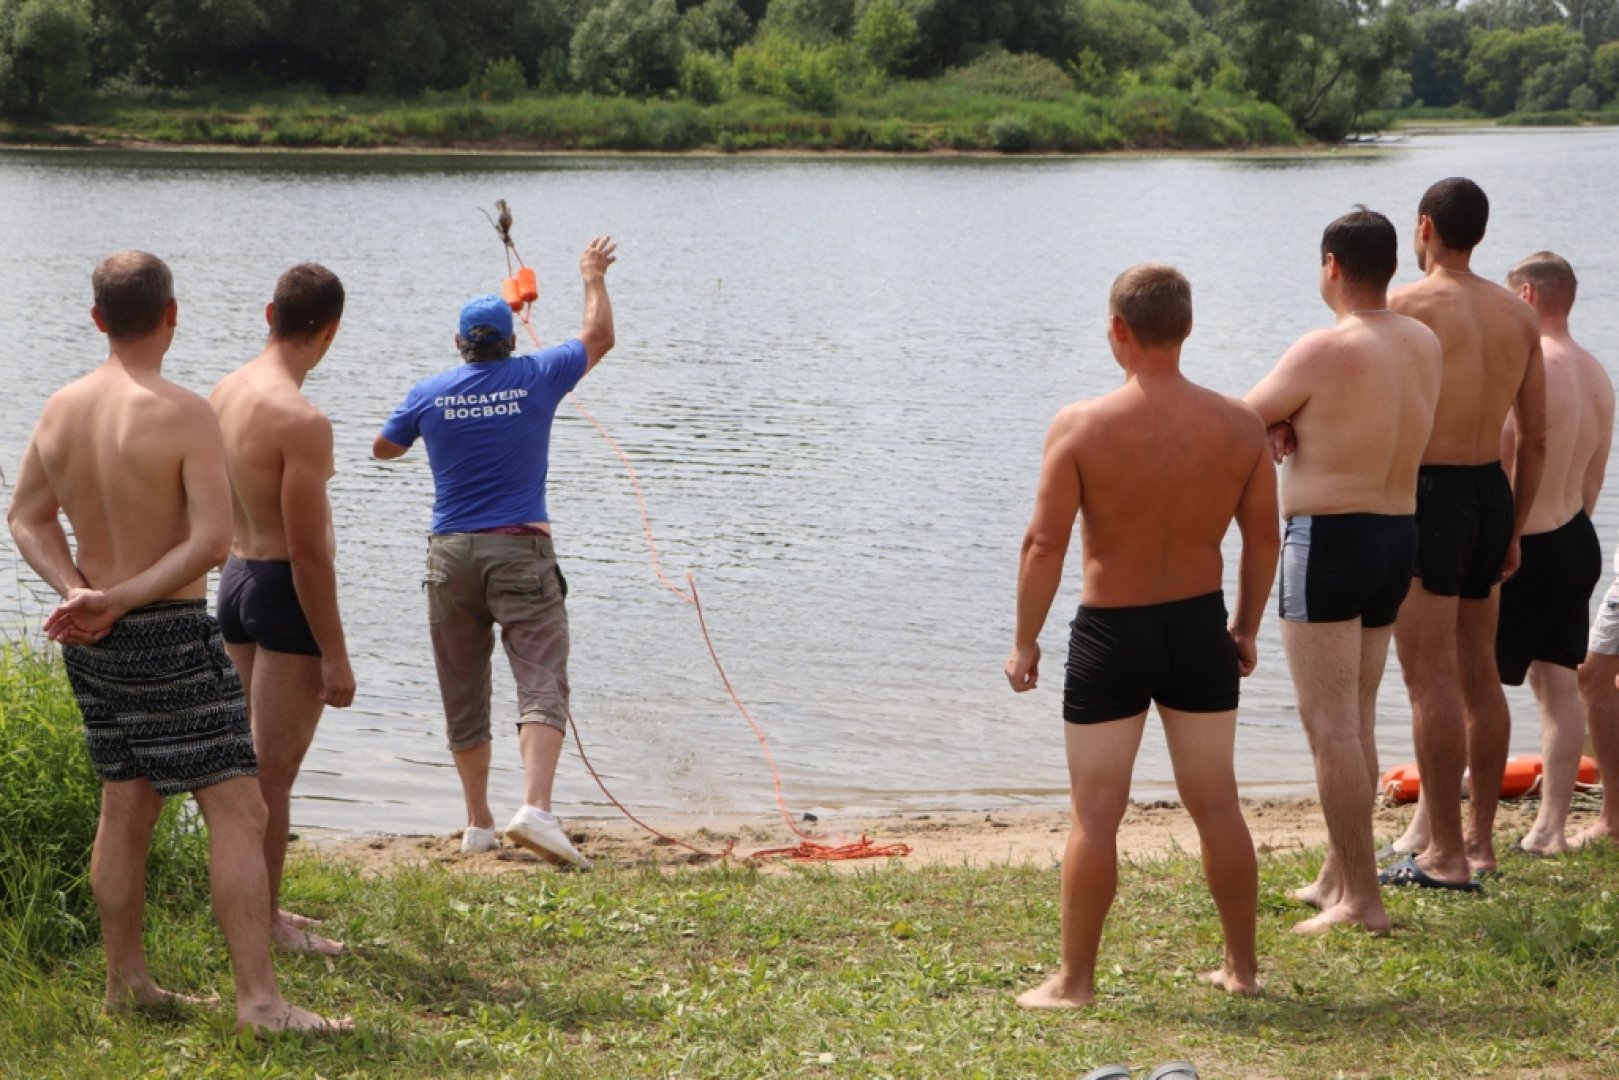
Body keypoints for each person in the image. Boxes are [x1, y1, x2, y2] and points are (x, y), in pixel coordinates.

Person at [6, 251, 344, 1034]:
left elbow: (25, 516)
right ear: (172, 315)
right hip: (163, 629)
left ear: (97, 319)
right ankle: (260, 1002)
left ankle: (127, 984)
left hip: (92, 639)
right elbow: (212, 543)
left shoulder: (61, 407)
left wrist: (78, 592)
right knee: (238, 809)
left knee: (125, 806)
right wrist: (118, 598)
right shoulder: (185, 411)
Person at [1005, 264, 1279, 1008]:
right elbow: (1263, 537)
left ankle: (1075, 982)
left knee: (1096, 811)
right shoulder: (1240, 425)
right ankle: (1242, 970)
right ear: (1186, 327)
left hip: (1112, 635)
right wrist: (1245, 626)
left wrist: (1025, 641)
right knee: (1216, 803)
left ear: (1117, 329)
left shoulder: (1081, 425)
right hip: (1198, 627)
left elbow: (1043, 543)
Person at [373, 237, 616, 868]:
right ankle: (535, 809)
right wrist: (591, 276)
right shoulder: (538, 373)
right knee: (540, 678)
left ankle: (478, 822)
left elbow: (383, 448)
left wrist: (443, 416)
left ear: (459, 343)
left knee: (462, 688)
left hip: (449, 555)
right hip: (520, 552)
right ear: (510, 341)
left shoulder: (429, 392)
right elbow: (599, 336)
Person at [1245, 208, 1442, 930]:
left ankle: (1362, 899)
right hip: (1396, 536)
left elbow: (1234, 422)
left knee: (1330, 727)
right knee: (1354, 717)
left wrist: (1276, 419)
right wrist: (1290, 417)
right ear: (1389, 264)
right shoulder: (1421, 342)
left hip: (1327, 540)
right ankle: (1338, 872)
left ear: (1331, 264)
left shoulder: (1323, 348)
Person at [1379, 178, 1546, 889]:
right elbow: (1534, 437)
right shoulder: (1518, 315)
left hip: (1429, 493)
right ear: (1478, 232)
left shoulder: (1402, 306)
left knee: (1428, 679)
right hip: (1488, 491)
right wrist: (1514, 525)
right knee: (1479, 671)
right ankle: (1479, 844)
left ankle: (1443, 854)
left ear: (1424, 227)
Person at [210, 264, 355, 955]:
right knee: (274, 772)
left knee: (246, 768)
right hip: (281, 589)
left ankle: (255, 900)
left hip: (235, 578)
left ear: (269, 313)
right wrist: (336, 655)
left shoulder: (224, 391)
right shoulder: (301, 420)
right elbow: (308, 554)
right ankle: (264, 922)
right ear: (331, 330)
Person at [1494, 253, 1611, 855]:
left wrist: (1500, 542)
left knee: (1471, 684)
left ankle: (1457, 831)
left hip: (1528, 542)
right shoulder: (1596, 373)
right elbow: (1593, 478)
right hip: (1577, 538)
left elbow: (1505, 460)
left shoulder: (1529, 364)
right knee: (1560, 686)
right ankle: (1550, 829)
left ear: (1526, 296)